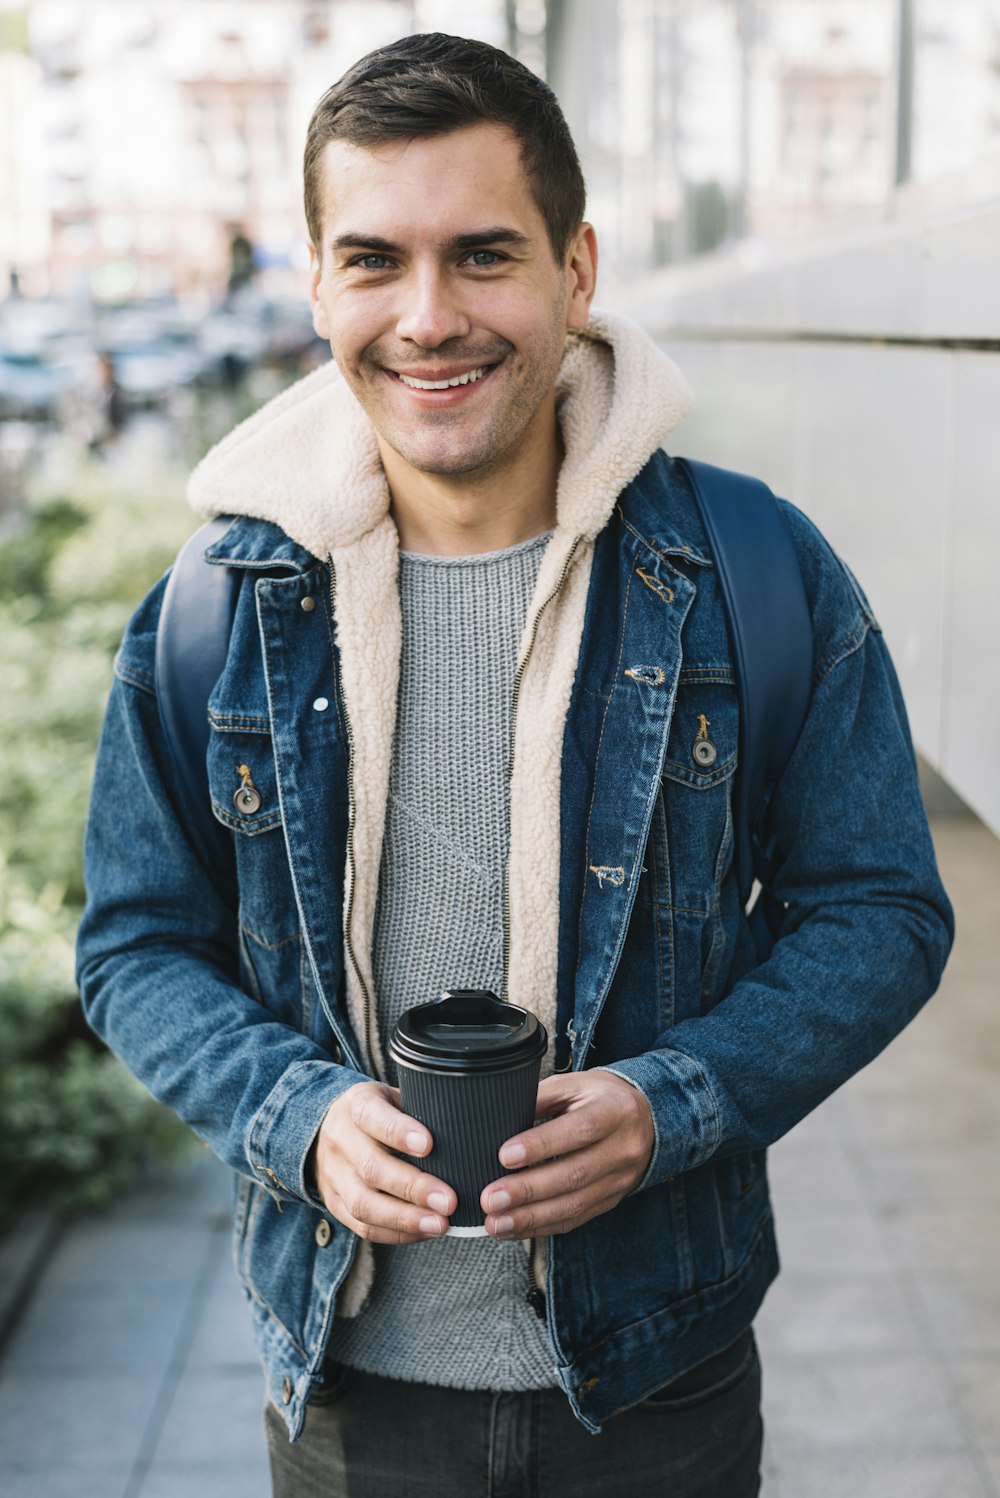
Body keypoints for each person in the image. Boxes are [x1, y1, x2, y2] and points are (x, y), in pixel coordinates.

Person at [76, 32, 953, 1498]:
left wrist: (673, 1103)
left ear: (577, 269)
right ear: (315, 286)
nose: (428, 317)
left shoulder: (751, 570)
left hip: (656, 1385)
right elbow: (135, 943)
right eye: (373, 260)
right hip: (351, 1395)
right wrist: (299, 1117)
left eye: (483, 255)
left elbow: (883, 908)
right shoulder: (214, 610)